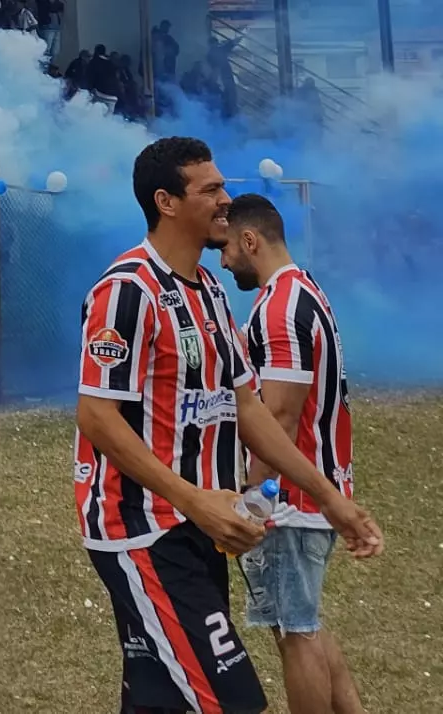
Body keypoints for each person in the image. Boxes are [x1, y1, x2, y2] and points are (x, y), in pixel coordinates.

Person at [74, 137, 383, 714]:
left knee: (160, 698)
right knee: (234, 699)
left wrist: (329, 499)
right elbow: (96, 417)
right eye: (211, 189)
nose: (226, 200)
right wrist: (194, 500)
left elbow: (251, 411)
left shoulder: (213, 293)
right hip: (143, 532)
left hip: (200, 527)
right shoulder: (126, 291)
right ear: (166, 202)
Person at [219, 193, 366, 714]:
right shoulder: (306, 291)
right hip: (310, 490)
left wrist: (252, 499)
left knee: (294, 634)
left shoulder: (280, 308)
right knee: (305, 622)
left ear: (250, 240)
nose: (223, 259)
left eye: (227, 248)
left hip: (291, 499)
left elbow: (278, 415)